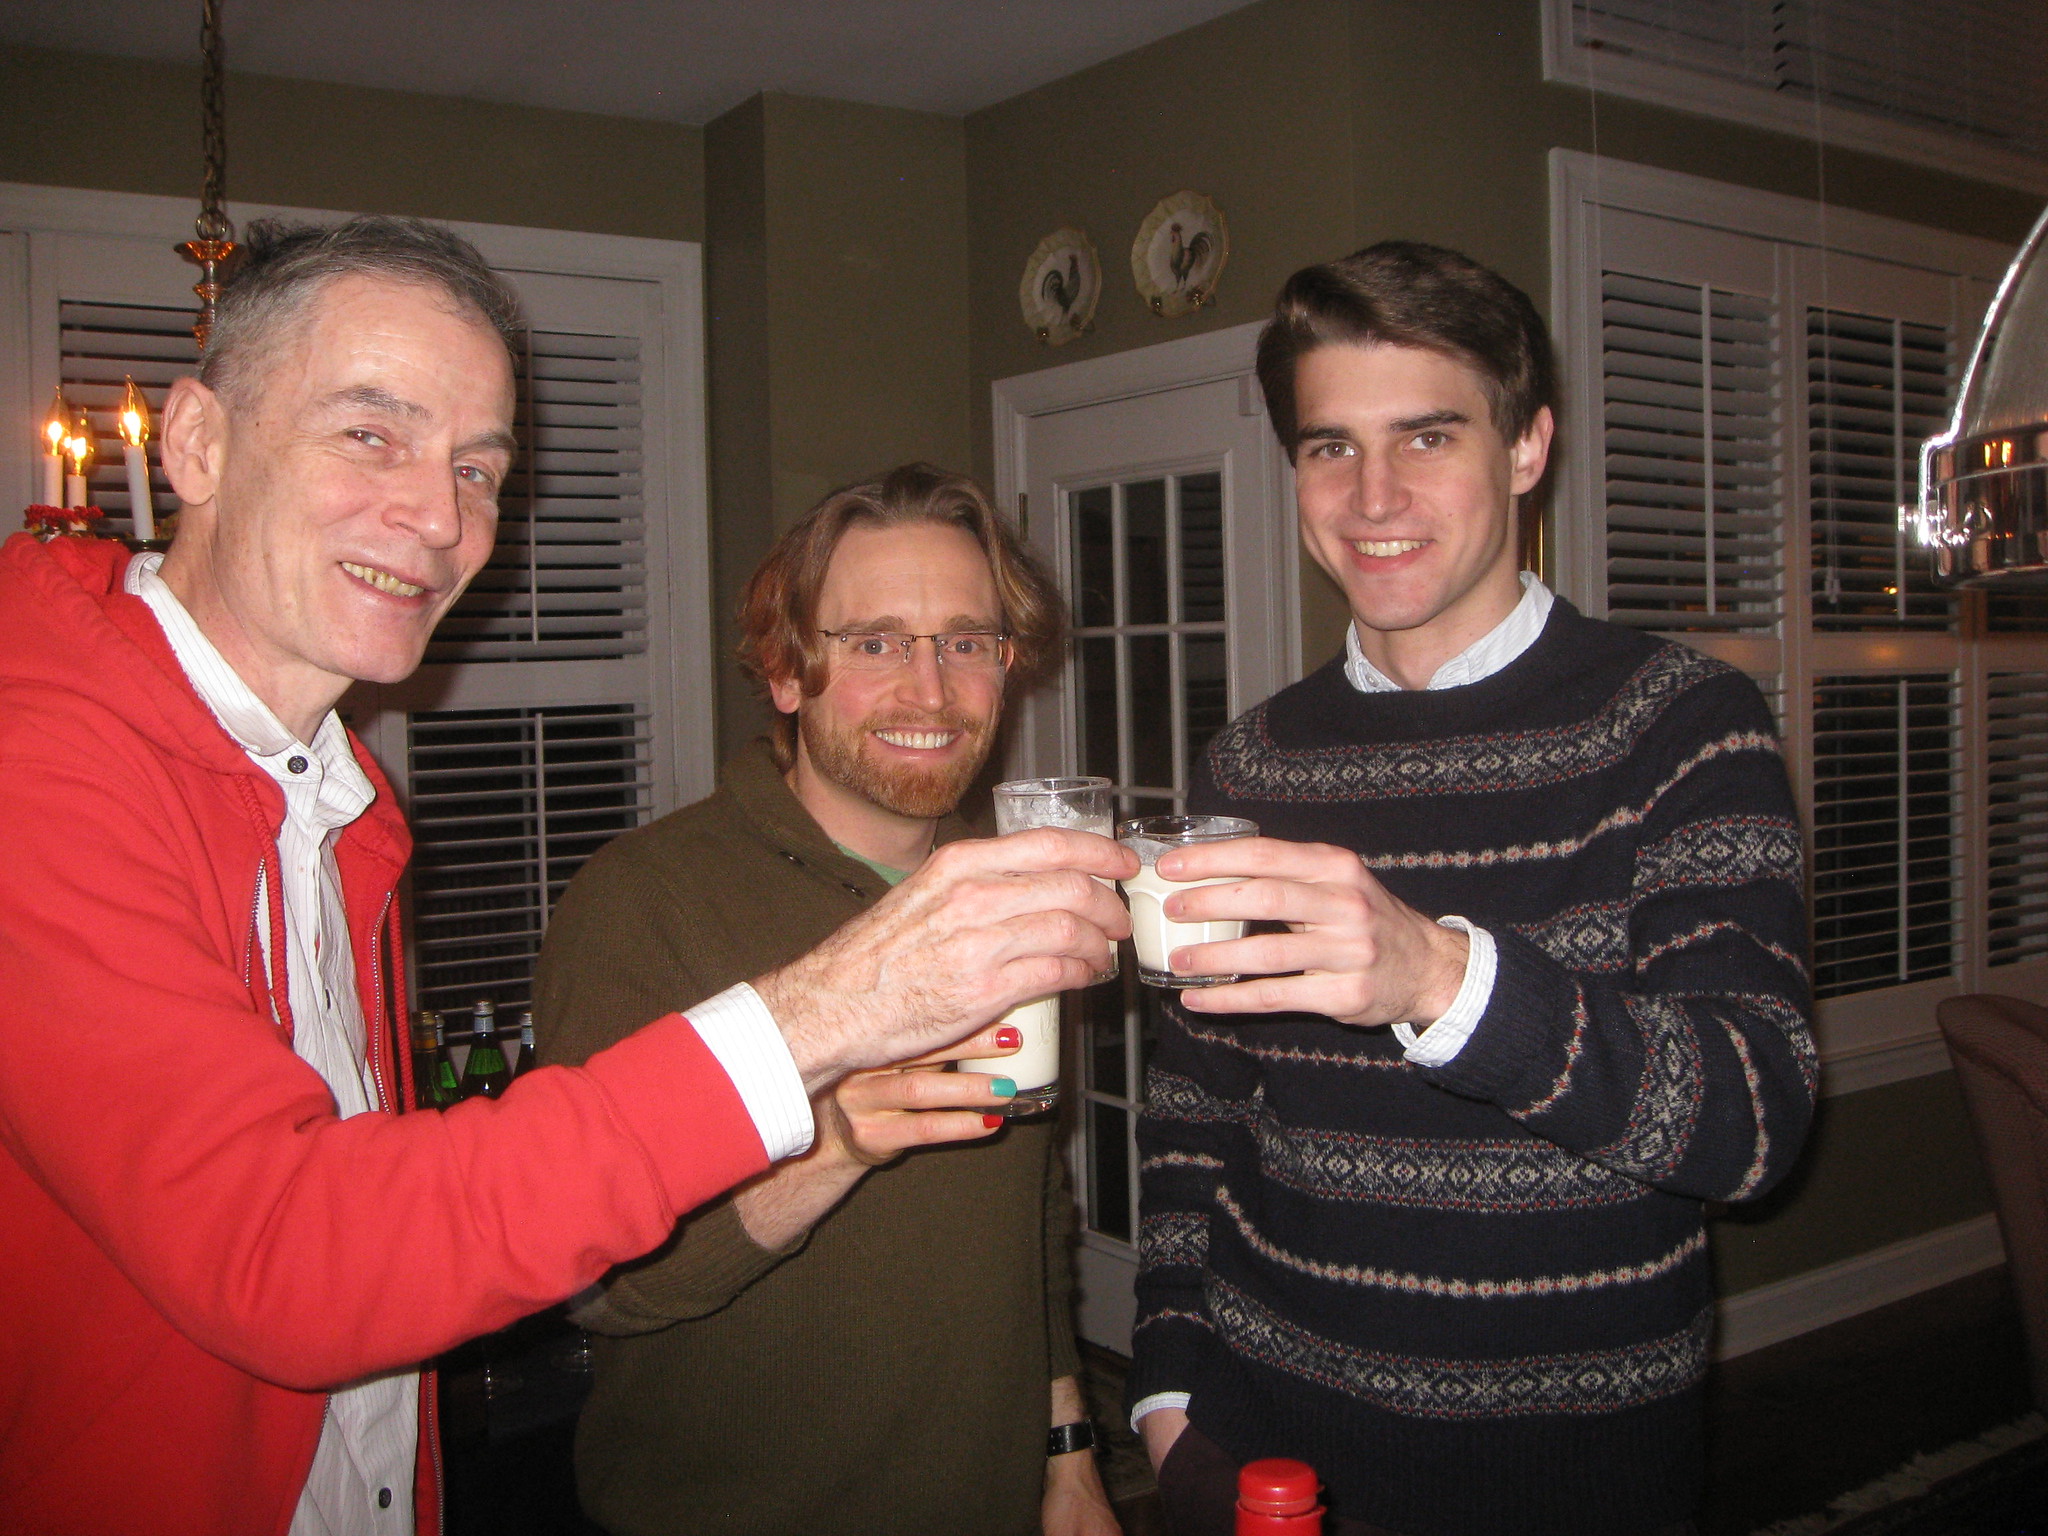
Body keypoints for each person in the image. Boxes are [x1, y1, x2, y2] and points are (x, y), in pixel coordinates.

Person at [0, 218, 1133, 1536]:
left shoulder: (332, 808)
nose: (441, 517)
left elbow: (387, 1243)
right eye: (370, 433)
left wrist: (1066, 1439)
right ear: (195, 443)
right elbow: (292, 1260)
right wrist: (832, 1018)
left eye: (478, 467)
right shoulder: (42, 767)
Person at [1125, 242, 1816, 1536]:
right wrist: (1166, 1386)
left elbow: (1752, 1127)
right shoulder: (1249, 764)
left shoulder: (1680, 726)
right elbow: (1191, 1108)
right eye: (1330, 446)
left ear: (1526, 447)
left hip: (1570, 1472)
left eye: (1428, 436)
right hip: (1260, 1443)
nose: (1373, 495)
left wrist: (1441, 978)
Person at [534, 463, 1122, 1536]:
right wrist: (832, 1146)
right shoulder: (640, 904)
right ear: (785, 671)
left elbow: (1027, 1208)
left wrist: (1067, 1448)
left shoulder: (1006, 889)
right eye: (876, 644)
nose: (930, 691)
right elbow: (601, 1285)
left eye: (966, 642)